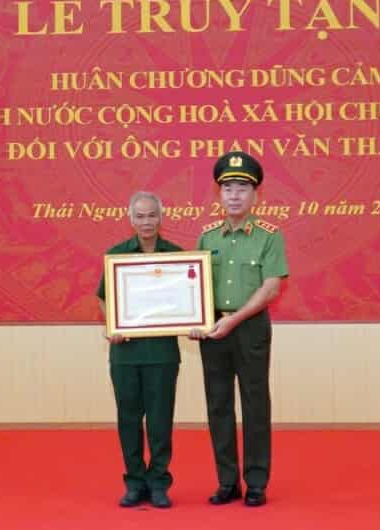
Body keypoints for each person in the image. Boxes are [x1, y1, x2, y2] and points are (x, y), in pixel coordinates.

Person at [190, 151, 288, 507]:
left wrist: (233, 319)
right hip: (214, 327)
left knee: (255, 404)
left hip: (249, 328)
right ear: (219, 195)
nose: (234, 195)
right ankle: (227, 482)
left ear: (255, 195)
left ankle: (257, 482)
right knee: (218, 405)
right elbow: (194, 287)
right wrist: (196, 320)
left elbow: (271, 287)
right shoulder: (207, 237)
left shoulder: (269, 236)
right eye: (227, 188)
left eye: (242, 188)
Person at [96, 191, 182, 509]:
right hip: (126, 355)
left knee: (160, 422)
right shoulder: (116, 255)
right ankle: (134, 483)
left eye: (152, 216)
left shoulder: (176, 256)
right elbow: (104, 297)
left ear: (161, 217)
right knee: (129, 420)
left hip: (162, 355)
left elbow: (186, 300)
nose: (147, 222)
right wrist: (113, 325)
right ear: (131, 219)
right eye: (140, 216)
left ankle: (158, 483)